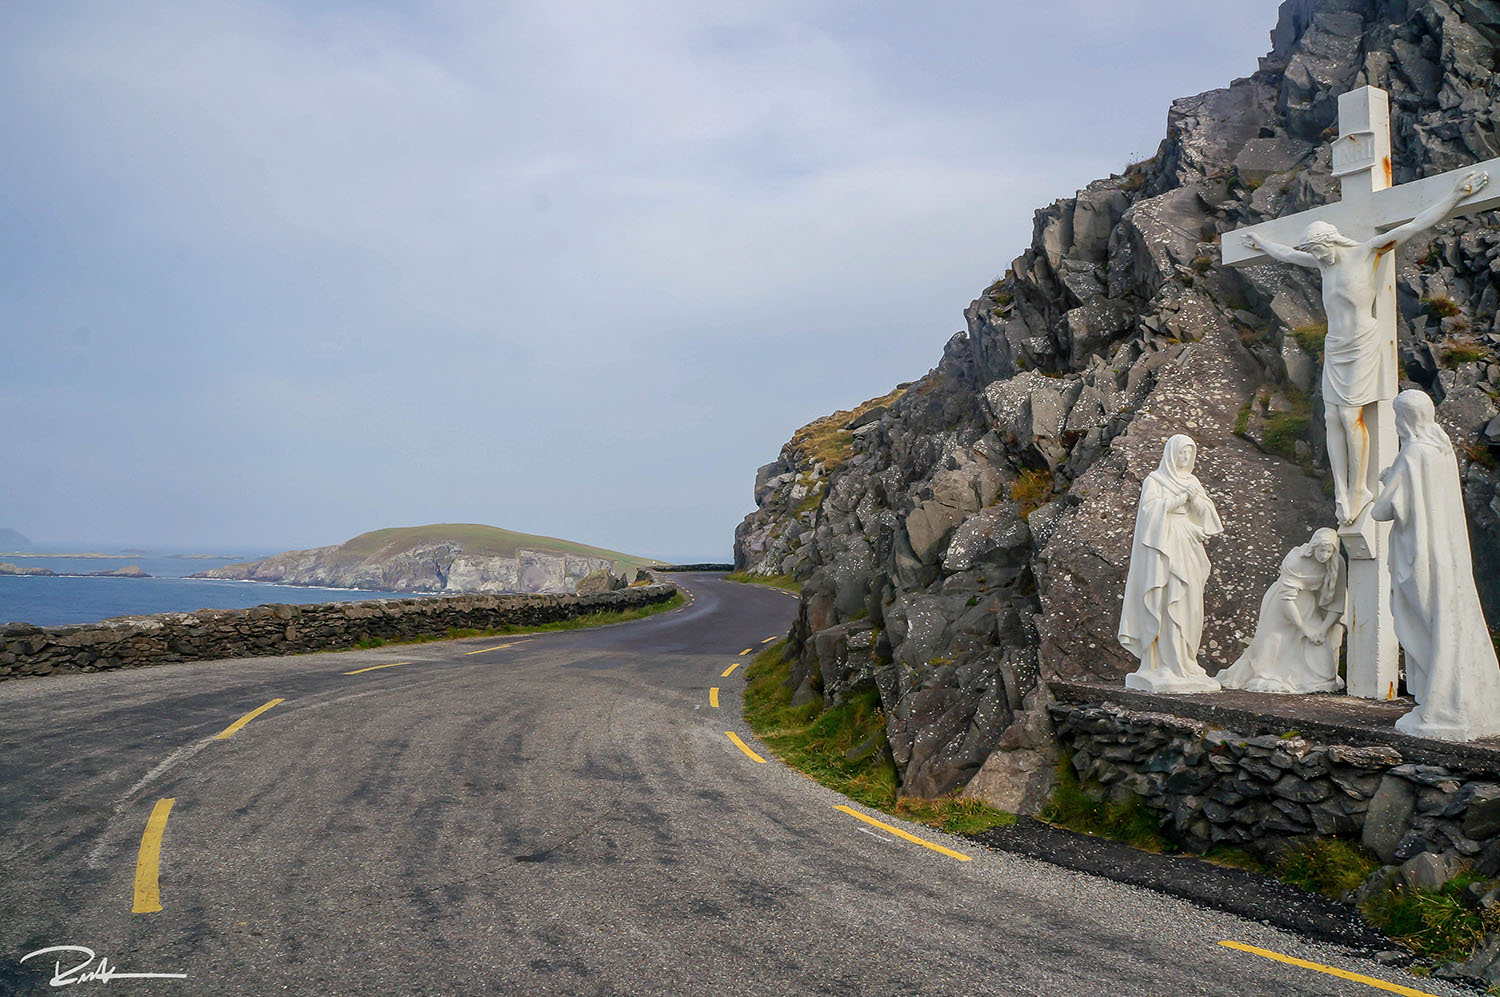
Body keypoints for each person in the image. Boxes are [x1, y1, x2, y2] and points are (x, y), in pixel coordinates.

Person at [1244, 170, 1489, 525]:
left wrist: (1454, 195)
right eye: (1312, 252)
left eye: (1319, 250)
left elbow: (1414, 225)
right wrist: (1261, 244)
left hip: (1361, 344)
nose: (1317, 257)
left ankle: (1358, 488)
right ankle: (1342, 492)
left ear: (1332, 242)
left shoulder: (1366, 252)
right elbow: (1285, 254)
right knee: (1331, 417)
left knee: (1348, 416)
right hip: (1336, 345)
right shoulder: (1322, 265)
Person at [1371, 389, 1500, 740]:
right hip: (1446, 557)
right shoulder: (1441, 449)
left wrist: (1386, 482)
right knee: (1449, 621)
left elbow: (1381, 511)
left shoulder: (1412, 454)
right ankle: (1468, 702)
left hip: (1417, 557)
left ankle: (1441, 704)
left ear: (1405, 418)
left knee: (1423, 627)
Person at [1118, 435, 1223, 694]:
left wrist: (1196, 500)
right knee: (1167, 600)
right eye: (1181, 453)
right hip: (1164, 547)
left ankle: (1186, 659)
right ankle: (1164, 662)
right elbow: (1149, 514)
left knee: (1190, 602)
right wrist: (1178, 499)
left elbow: (1208, 516)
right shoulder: (1155, 481)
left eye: (1190, 454)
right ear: (1171, 454)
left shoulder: (1193, 481)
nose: (1185, 459)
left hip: (1188, 544)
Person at [1217, 528, 1345, 694]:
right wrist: (1305, 628)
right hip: (1283, 606)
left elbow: (1337, 602)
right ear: (1313, 547)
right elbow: (1287, 599)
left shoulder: (1336, 563)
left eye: (1329, 551)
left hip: (1310, 606)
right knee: (1276, 643)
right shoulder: (1295, 559)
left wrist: (1321, 629)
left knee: (1323, 665)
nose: (1324, 555)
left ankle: (1306, 680)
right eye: (1321, 550)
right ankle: (1270, 676)